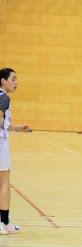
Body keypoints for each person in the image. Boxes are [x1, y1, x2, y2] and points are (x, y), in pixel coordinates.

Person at [0, 68, 31, 235]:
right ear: (3, 81)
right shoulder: (4, 97)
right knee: (4, 183)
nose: (16, 82)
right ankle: (4, 224)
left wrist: (18, 128)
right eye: (13, 79)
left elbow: (4, 123)